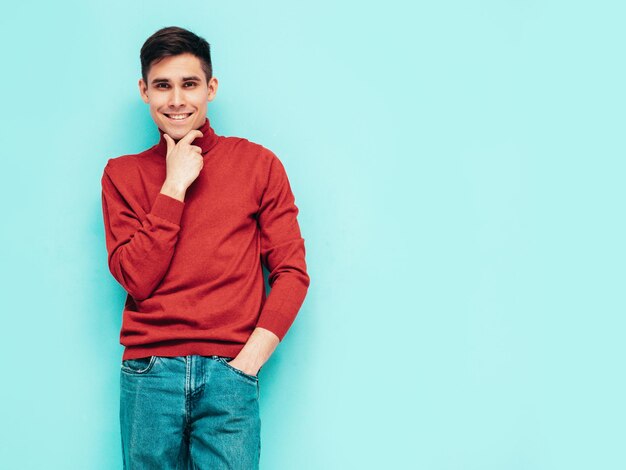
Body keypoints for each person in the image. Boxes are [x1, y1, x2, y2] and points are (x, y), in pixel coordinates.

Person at [100, 26, 310, 469]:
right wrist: (173, 185)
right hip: (149, 375)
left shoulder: (258, 165)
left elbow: (291, 272)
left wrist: (247, 363)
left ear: (210, 88)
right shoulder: (122, 175)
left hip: (229, 372)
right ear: (144, 91)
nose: (176, 99)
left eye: (189, 84)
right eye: (162, 85)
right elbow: (136, 277)